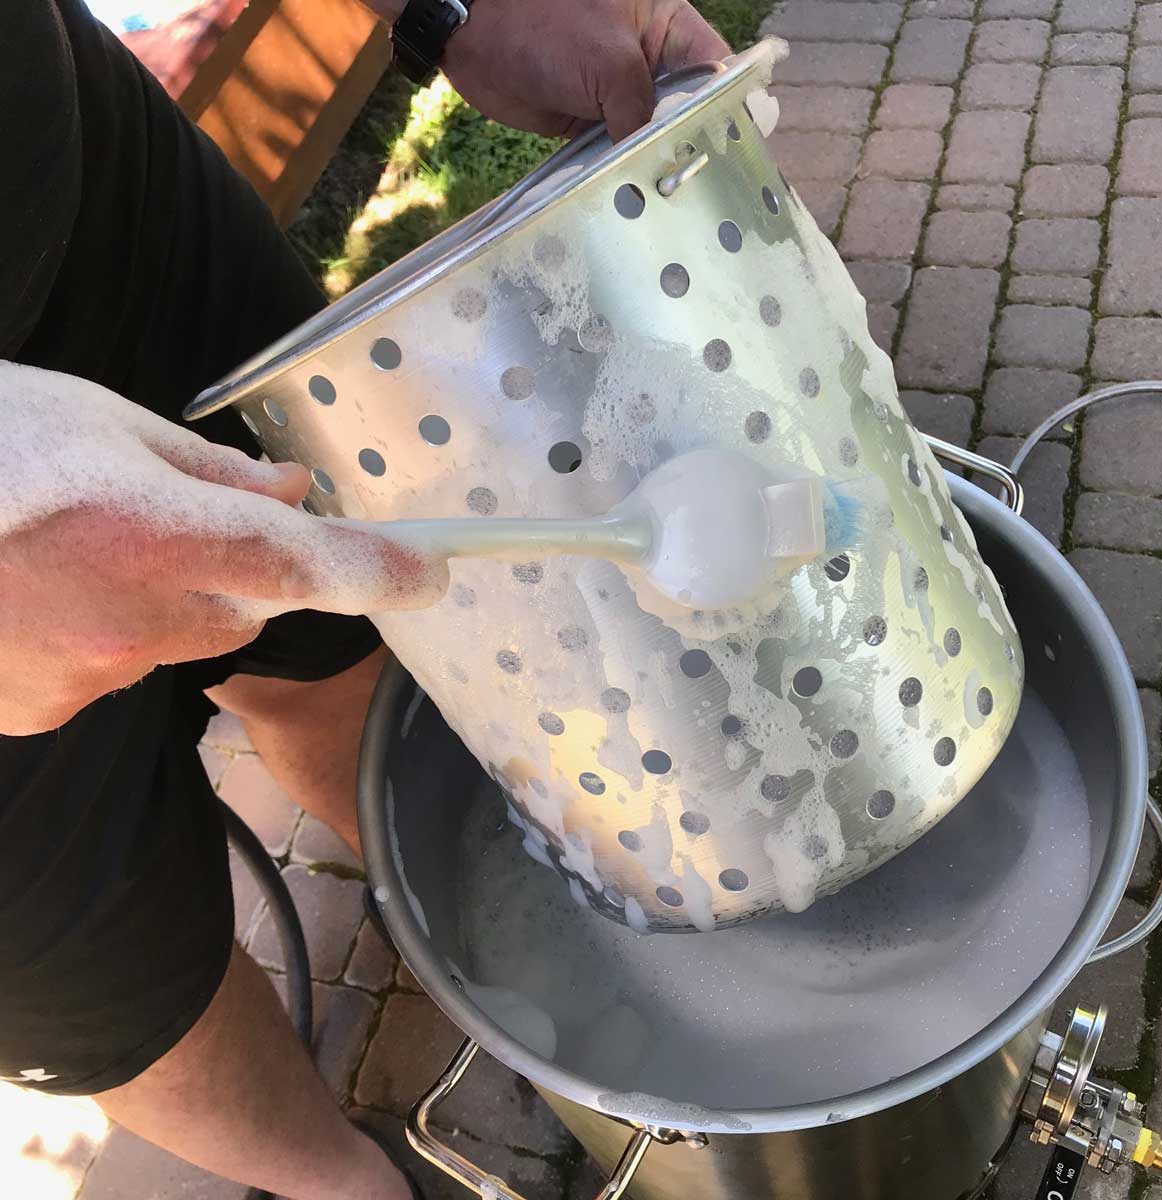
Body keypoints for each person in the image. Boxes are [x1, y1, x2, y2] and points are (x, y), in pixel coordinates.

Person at [0, 2, 728, 1198]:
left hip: (68, 166)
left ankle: (457, 930)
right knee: (97, 963)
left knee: (342, 642)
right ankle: (345, 1182)